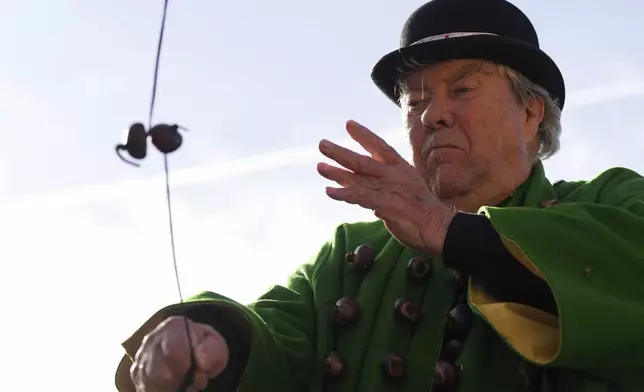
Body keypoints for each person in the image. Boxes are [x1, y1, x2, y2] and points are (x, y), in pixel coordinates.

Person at [114, 0, 644, 391]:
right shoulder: (351, 257)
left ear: (531, 114)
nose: (432, 114)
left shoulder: (613, 200)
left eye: (462, 89)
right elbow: (275, 337)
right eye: (415, 101)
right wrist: (208, 339)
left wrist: (450, 231)